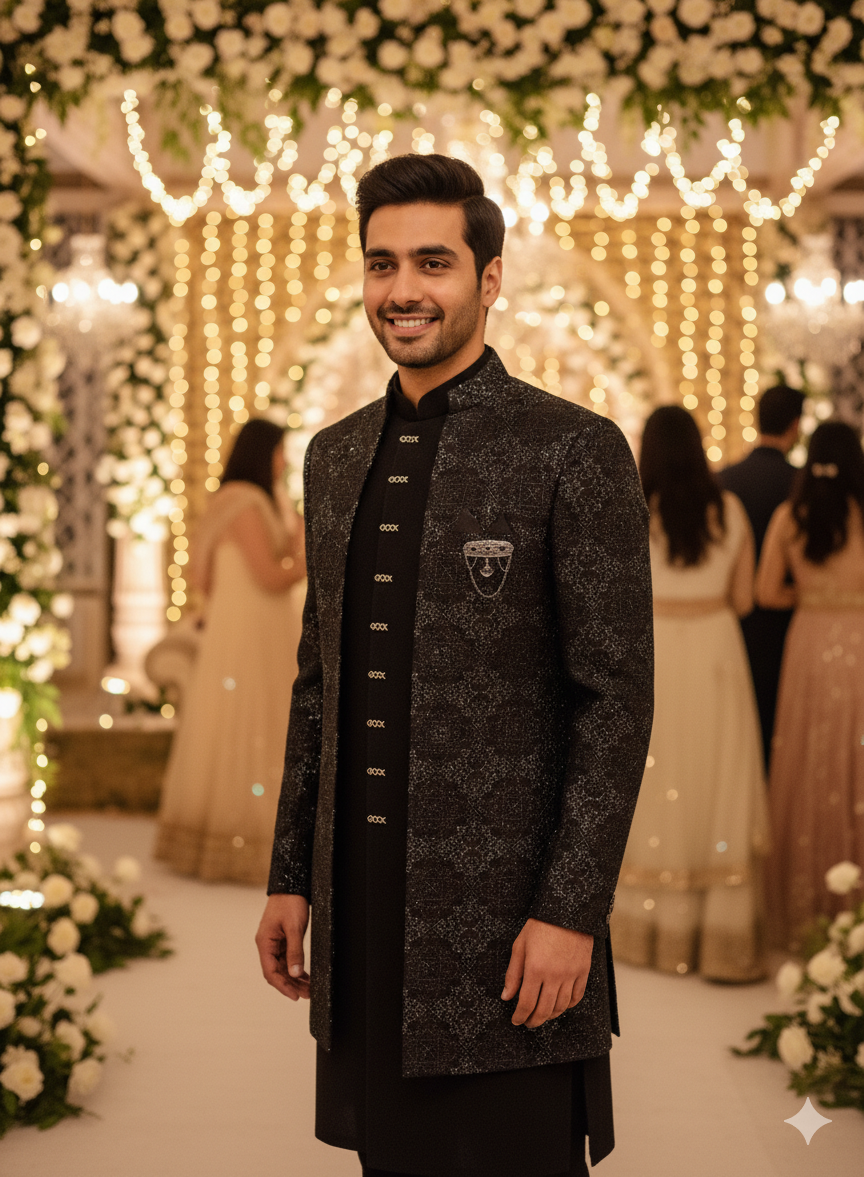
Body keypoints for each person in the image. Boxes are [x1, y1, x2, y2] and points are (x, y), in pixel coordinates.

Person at [255, 154, 654, 1177]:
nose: (402, 289)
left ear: (490, 277)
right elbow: (320, 681)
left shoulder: (575, 448)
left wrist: (573, 909)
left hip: (510, 911)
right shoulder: (333, 456)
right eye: (381, 263)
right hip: (362, 907)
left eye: (433, 261)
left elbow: (614, 699)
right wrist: (291, 876)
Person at [613, 406, 769, 982]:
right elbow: (747, 596)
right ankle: (718, 935)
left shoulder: (632, 509)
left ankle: (647, 929)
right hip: (715, 651)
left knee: (653, 777)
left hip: (654, 650)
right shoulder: (727, 510)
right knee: (717, 774)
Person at [154, 418, 306, 885]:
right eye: (280, 451)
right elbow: (269, 576)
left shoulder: (247, 500)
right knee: (253, 723)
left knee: (247, 723)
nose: (284, 460)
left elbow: (205, 578)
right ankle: (245, 842)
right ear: (264, 452)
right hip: (251, 635)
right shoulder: (245, 501)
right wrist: (313, 556)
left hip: (249, 629)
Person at [757, 420, 864, 952]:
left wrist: (814, 599)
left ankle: (809, 912)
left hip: (809, 640)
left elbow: (766, 591)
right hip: (860, 640)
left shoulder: (792, 516)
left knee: (812, 762)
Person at [718, 383, 805, 770]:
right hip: (791, 623)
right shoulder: (804, 487)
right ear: (796, 426)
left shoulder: (725, 481)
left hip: (735, 627)